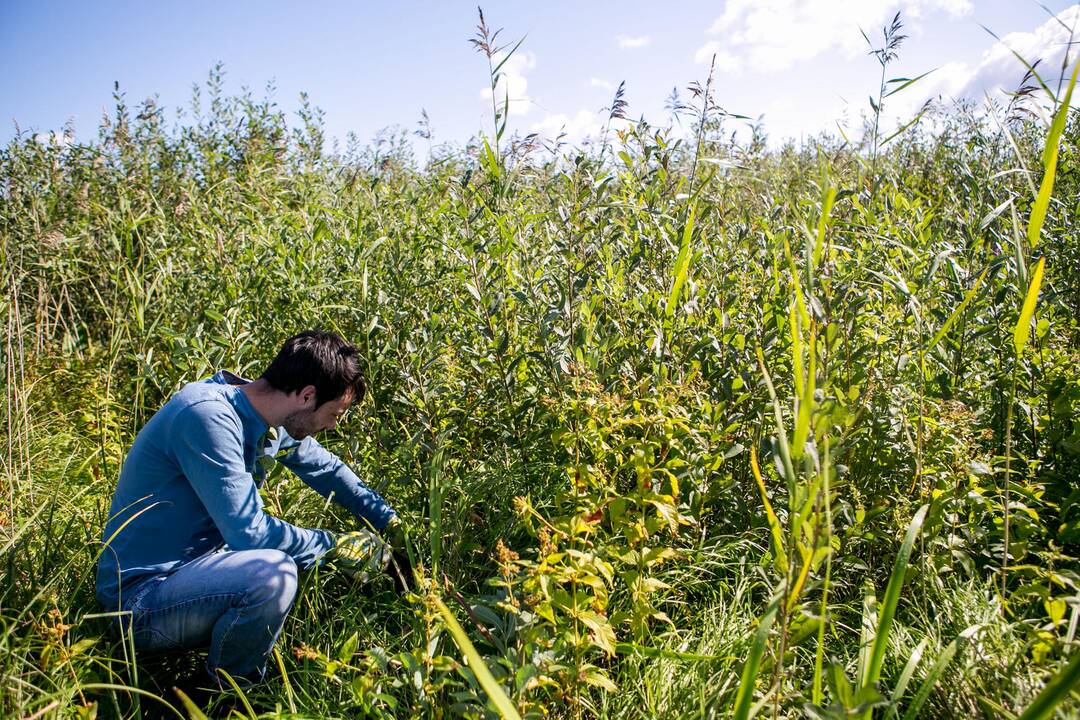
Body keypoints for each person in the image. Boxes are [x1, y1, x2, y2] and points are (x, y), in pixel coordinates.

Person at [95, 329, 409, 698]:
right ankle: (224, 695)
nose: (332, 426)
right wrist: (341, 548)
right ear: (307, 395)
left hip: (194, 578)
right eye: (333, 414)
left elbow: (329, 472)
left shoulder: (268, 417)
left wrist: (392, 524)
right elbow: (251, 535)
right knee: (273, 574)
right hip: (139, 603)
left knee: (284, 565)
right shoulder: (208, 417)